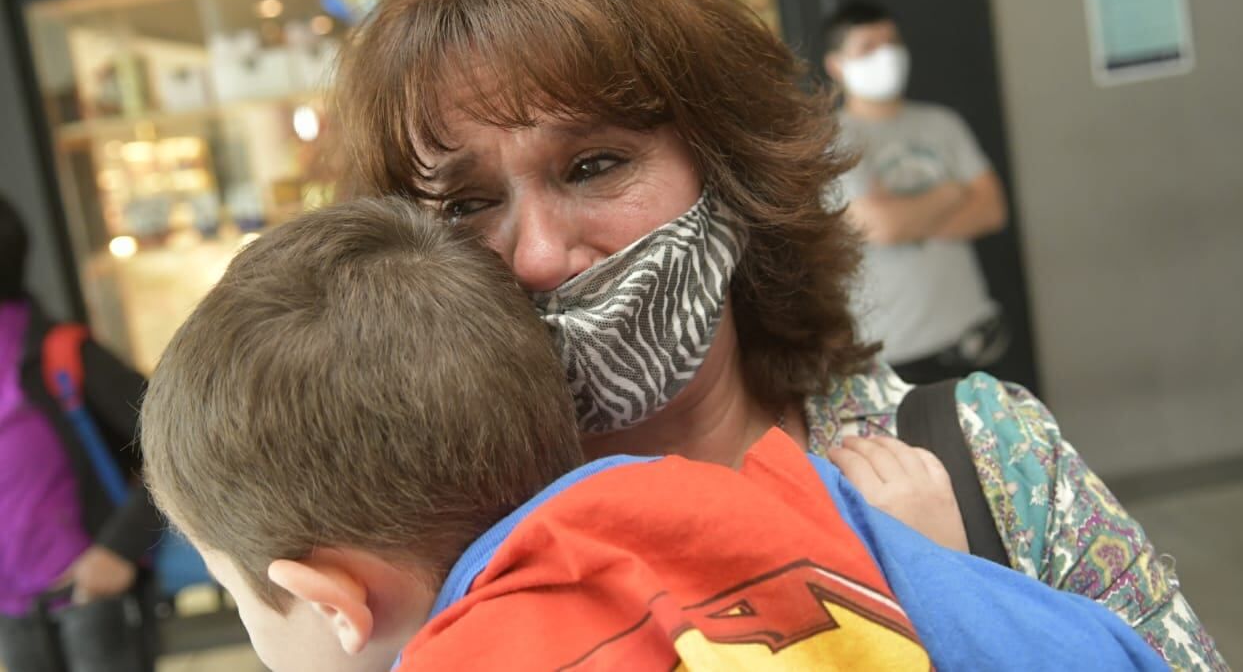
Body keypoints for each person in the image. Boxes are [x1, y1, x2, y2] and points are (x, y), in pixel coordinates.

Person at [331, 0, 1224, 669]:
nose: (535, 253)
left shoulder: (981, 461)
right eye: (467, 204)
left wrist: (944, 595)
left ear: (729, 170)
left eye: (594, 164)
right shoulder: (428, 566)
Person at [138, 196, 1166, 671]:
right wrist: (920, 591)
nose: (541, 249)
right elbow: (1105, 655)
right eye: (473, 203)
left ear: (334, 600)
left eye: (244, 602)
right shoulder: (810, 504)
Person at [0, 194, 158, 672]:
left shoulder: (59, 352)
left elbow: (181, 444)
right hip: (14, 614)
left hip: (91, 600)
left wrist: (119, 548)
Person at [822, 0, 1010, 385]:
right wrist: (950, 193)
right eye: (868, 47)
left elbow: (991, 209)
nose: (886, 55)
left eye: (891, 42)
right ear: (837, 65)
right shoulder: (834, 140)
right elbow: (882, 227)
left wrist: (909, 215)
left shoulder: (942, 124)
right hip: (891, 356)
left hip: (971, 338)